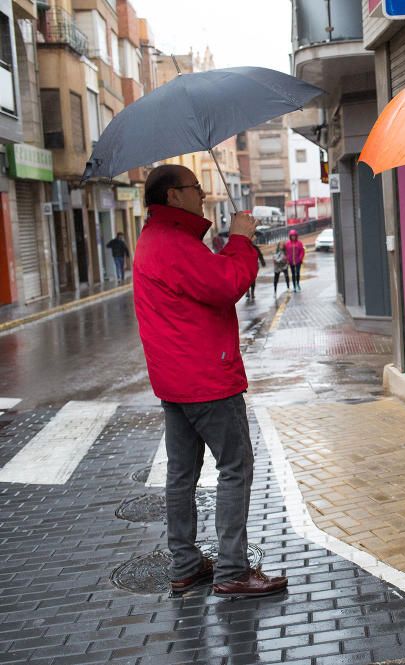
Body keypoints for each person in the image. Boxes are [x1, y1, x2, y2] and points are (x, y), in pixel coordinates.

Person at [133, 164, 288, 598]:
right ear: (172, 197)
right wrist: (240, 239)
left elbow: (202, 285)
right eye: (195, 188)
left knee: (181, 474)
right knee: (236, 467)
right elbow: (226, 283)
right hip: (206, 378)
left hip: (173, 380)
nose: (202, 194)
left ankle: (184, 564)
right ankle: (233, 570)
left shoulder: (156, 240)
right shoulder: (174, 243)